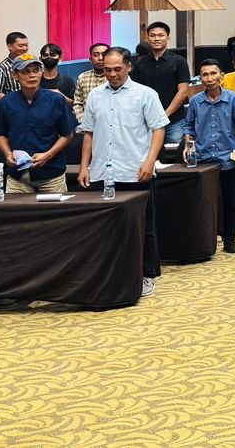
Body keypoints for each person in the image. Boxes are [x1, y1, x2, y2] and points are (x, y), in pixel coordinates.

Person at [77, 46, 168, 297]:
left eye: (117, 69)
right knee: (105, 228)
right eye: (107, 70)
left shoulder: (145, 94)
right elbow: (88, 133)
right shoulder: (95, 96)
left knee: (143, 227)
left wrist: (150, 161)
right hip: (102, 173)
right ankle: (110, 272)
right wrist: (84, 166)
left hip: (135, 171)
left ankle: (147, 273)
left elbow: (158, 129)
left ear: (129, 66)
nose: (112, 74)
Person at [0, 54, 77, 194]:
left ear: (42, 72)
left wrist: (48, 155)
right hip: (17, 176)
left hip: (51, 174)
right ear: (14, 75)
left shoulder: (56, 100)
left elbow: (67, 134)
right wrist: (8, 154)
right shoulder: (7, 102)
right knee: (15, 208)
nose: (32, 76)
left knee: (55, 208)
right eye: (25, 72)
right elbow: (0, 133)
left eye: (36, 71)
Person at [187, 60, 235, 253]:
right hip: (203, 158)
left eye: (213, 73)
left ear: (221, 76)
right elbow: (189, 127)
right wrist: (188, 145)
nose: (209, 78)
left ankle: (229, 239)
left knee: (230, 201)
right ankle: (206, 237)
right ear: (200, 78)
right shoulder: (195, 101)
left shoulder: (232, 99)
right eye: (205, 75)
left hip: (228, 158)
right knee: (204, 202)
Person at [132, 21, 193, 145]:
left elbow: (183, 91)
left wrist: (165, 114)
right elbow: (135, 92)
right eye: (153, 35)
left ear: (168, 38)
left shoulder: (179, 61)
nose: (156, 39)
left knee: (174, 152)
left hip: (173, 120)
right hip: (147, 121)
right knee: (148, 153)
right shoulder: (140, 64)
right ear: (148, 38)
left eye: (161, 35)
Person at [72, 43, 110, 119]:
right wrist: (83, 121)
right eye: (96, 55)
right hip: (87, 122)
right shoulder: (83, 77)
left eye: (104, 54)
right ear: (90, 59)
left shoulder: (115, 77)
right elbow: (77, 103)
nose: (100, 58)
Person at [0, 31, 29, 100]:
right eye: (21, 46)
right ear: (9, 47)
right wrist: (14, 101)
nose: (25, 48)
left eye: (26, 45)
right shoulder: (1, 68)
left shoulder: (31, 64)